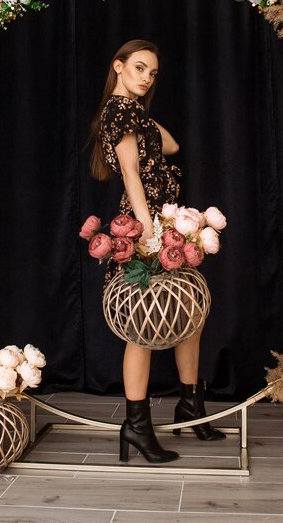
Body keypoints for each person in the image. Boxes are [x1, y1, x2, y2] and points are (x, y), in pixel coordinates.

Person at [89, 39, 225, 464]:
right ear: (118, 66)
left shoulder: (129, 111)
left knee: (188, 316)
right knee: (142, 327)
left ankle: (190, 405)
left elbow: (170, 146)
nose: (147, 78)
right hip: (145, 225)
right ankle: (136, 425)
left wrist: (141, 114)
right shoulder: (117, 110)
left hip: (164, 221)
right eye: (139, 68)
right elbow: (131, 173)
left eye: (152, 73)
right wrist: (147, 233)